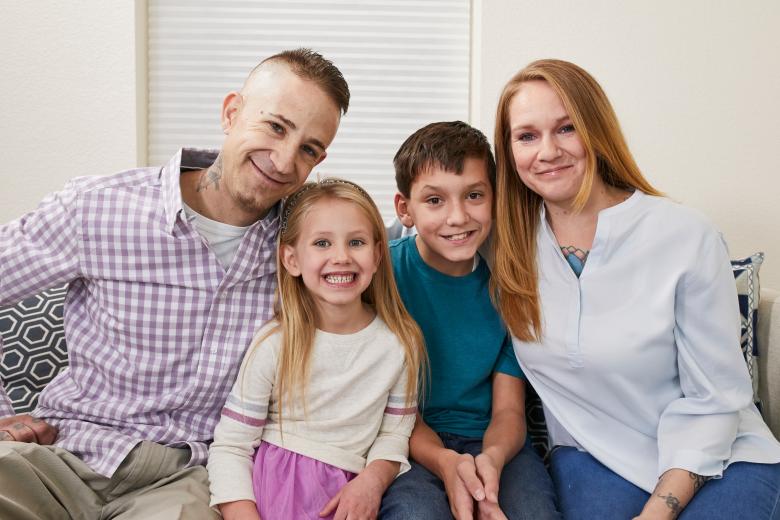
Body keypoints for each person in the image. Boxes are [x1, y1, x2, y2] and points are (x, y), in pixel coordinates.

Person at [0, 48, 348, 519]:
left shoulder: (308, 247)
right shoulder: (98, 208)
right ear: (231, 113)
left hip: (181, 479)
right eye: (275, 126)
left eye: (308, 148)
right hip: (63, 454)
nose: (284, 160)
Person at [491, 58, 780, 519]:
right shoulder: (504, 244)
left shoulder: (685, 235)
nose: (546, 151)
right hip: (594, 460)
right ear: (508, 152)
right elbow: (408, 237)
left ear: (596, 132)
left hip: (722, 456)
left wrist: (659, 509)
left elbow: (717, 399)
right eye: (527, 136)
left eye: (566, 129)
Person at [207, 178, 425, 520]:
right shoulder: (275, 345)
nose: (341, 257)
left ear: (378, 255)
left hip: (352, 498)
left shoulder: (400, 343)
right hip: (274, 495)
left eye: (356, 242)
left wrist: (373, 481)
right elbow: (231, 445)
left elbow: (395, 433)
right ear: (292, 259)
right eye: (322, 243)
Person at [379, 121, 560, 519]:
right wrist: (446, 461)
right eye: (435, 200)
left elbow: (509, 412)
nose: (458, 217)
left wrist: (490, 461)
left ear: (495, 199)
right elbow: (387, 409)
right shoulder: (380, 277)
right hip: (403, 439)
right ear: (404, 209)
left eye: (474, 195)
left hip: (496, 442)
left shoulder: (513, 287)